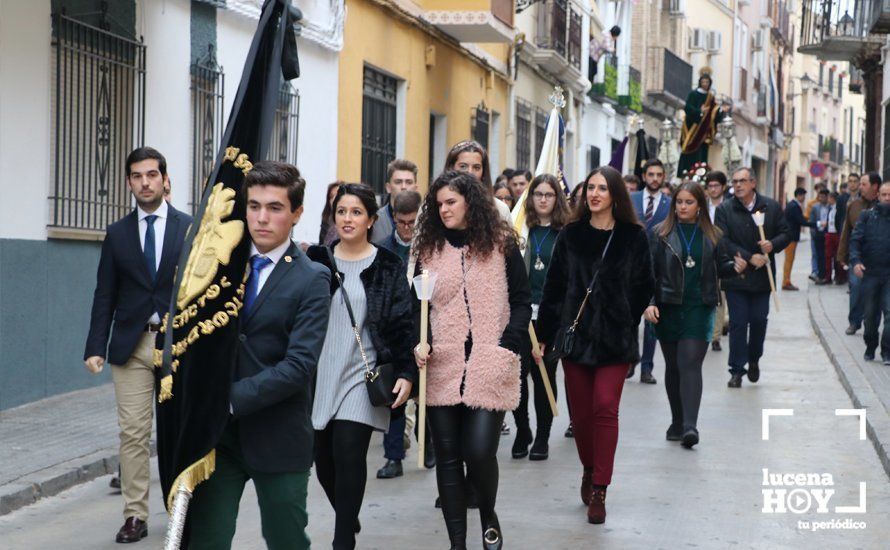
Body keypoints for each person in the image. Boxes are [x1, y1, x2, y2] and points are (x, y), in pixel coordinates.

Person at [188, 161, 331, 550]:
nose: (262, 218)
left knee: (286, 542)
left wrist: (229, 399)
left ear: (296, 213)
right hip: (216, 441)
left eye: (275, 208)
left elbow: (299, 365)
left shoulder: (312, 278)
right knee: (206, 540)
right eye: (253, 206)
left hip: (278, 436)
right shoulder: (219, 265)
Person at [412, 170, 532, 550]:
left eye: (451, 202)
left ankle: (487, 513)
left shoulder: (500, 243)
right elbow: (417, 309)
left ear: (470, 203)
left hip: (489, 361)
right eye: (439, 203)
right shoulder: (427, 250)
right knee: (448, 459)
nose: (444, 209)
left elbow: (521, 300)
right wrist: (422, 343)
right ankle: (457, 543)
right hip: (441, 365)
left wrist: (509, 344)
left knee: (479, 451)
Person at [83, 147, 191, 544]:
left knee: (176, 431)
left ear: (164, 179)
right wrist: (95, 345)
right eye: (136, 176)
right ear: (129, 182)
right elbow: (104, 294)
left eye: (151, 174)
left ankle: (180, 508)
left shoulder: (188, 228)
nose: (144, 182)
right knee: (132, 434)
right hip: (130, 346)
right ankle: (135, 516)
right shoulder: (117, 233)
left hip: (177, 347)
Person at [537, 166, 654, 525]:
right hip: (576, 339)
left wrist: (625, 318)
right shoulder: (571, 235)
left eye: (603, 188)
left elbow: (643, 285)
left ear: (616, 195)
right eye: (590, 187)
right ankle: (589, 466)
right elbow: (554, 287)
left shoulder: (633, 236)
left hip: (615, 341)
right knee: (581, 417)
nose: (595, 194)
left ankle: (600, 486)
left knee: (605, 408)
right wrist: (544, 335)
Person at [307, 183, 415, 549]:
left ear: (371, 219)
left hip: (362, 373)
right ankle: (347, 516)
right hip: (321, 372)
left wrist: (405, 373)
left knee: (348, 451)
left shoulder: (388, 265)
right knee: (323, 463)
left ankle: (342, 542)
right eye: (341, 212)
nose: (347, 219)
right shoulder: (318, 261)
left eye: (356, 212)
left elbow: (402, 324)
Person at [644, 182, 744, 448]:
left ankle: (690, 426)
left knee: (690, 363)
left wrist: (735, 267)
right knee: (673, 367)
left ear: (699, 205)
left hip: (699, 306)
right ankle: (677, 421)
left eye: (688, 202)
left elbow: (721, 267)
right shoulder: (659, 234)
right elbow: (649, 273)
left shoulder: (713, 235)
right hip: (667, 307)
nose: (683, 207)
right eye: (679, 202)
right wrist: (650, 302)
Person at [511, 173, 571, 462]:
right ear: (530, 198)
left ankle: (543, 436)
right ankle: (523, 430)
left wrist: (551, 328)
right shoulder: (521, 230)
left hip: (551, 315)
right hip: (521, 315)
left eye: (549, 194)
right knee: (517, 377)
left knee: (544, 374)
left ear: (557, 198)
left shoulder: (565, 234)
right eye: (538, 194)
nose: (543, 199)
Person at [714, 167, 792, 388]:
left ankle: (754, 358)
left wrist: (772, 244)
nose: (738, 185)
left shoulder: (771, 206)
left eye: (742, 181)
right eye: (735, 181)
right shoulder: (725, 209)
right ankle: (737, 370)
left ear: (753, 183)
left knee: (758, 321)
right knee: (738, 323)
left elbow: (786, 233)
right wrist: (749, 257)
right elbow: (723, 240)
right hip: (736, 275)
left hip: (762, 279)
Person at [375, 189, 433, 478]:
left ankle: (429, 443)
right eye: (401, 222)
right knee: (395, 397)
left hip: (422, 328)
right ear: (393, 218)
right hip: (392, 333)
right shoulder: (383, 248)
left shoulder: (430, 248)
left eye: (413, 222)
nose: (407, 229)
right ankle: (393, 457)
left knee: (426, 395)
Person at [627, 159, 670, 384]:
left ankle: (647, 367)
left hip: (657, 269)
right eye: (651, 174)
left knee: (652, 321)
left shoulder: (670, 204)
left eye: (658, 174)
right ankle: (631, 359)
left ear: (663, 177)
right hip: (631, 268)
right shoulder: (631, 199)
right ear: (644, 176)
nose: (654, 178)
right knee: (631, 318)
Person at [849, 182, 890, 365]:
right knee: (871, 316)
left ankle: (887, 351)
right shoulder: (866, 217)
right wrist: (856, 262)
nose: (887, 199)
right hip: (871, 274)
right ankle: (871, 345)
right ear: (878, 196)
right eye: (884, 195)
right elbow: (855, 241)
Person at [839, 172, 881, 334]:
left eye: (864, 184)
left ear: (874, 186)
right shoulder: (854, 206)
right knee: (856, 288)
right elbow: (846, 232)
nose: (860, 187)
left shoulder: (882, 206)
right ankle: (854, 321)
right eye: (860, 184)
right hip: (857, 258)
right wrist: (842, 255)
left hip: (878, 259)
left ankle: (871, 324)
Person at [444, 140, 513, 223]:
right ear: (451, 168)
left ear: (483, 172)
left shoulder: (499, 209)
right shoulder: (438, 205)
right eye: (463, 166)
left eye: (476, 168)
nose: (470, 172)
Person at [677, 68, 729, 176]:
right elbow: (688, 108)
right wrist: (699, 111)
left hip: (704, 131)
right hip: (693, 127)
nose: (705, 84)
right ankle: (687, 172)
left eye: (707, 82)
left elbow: (714, 111)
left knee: (702, 151)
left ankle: (701, 173)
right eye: (703, 82)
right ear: (700, 82)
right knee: (689, 148)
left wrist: (720, 110)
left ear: (710, 83)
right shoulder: (693, 94)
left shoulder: (710, 97)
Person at [705, 171, 729, 350]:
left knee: (721, 297)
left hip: (723, 255)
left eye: (716, 186)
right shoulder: (701, 206)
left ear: (723, 187)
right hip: (704, 255)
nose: (713, 189)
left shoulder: (729, 207)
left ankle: (716, 336)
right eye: (710, 186)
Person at [371, 159, 419, 245]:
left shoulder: (427, 221)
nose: (404, 187)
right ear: (388, 187)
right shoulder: (374, 221)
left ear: (416, 188)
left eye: (409, 182)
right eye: (398, 182)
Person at [782, 187, 815, 291]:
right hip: (790, 237)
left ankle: (786, 281)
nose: (804, 198)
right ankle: (786, 282)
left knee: (789, 259)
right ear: (799, 195)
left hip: (791, 237)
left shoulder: (793, 205)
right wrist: (816, 224)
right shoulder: (794, 206)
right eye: (803, 195)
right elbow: (801, 221)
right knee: (789, 260)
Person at [809, 188, 831, 284]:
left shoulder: (831, 207)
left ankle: (827, 276)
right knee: (819, 255)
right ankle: (820, 275)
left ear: (827, 197)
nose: (821, 199)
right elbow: (811, 221)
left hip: (828, 234)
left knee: (828, 256)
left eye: (823, 197)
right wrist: (813, 234)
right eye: (820, 197)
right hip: (818, 234)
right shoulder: (815, 207)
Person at [824, 192, 841, 283]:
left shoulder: (838, 209)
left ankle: (839, 276)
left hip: (836, 234)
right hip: (829, 233)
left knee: (837, 256)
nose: (828, 200)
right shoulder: (829, 209)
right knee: (828, 256)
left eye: (829, 198)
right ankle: (828, 276)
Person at [319, 181, 342, 246]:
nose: (334, 199)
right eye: (331, 197)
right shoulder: (326, 220)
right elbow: (321, 245)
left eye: (337, 196)